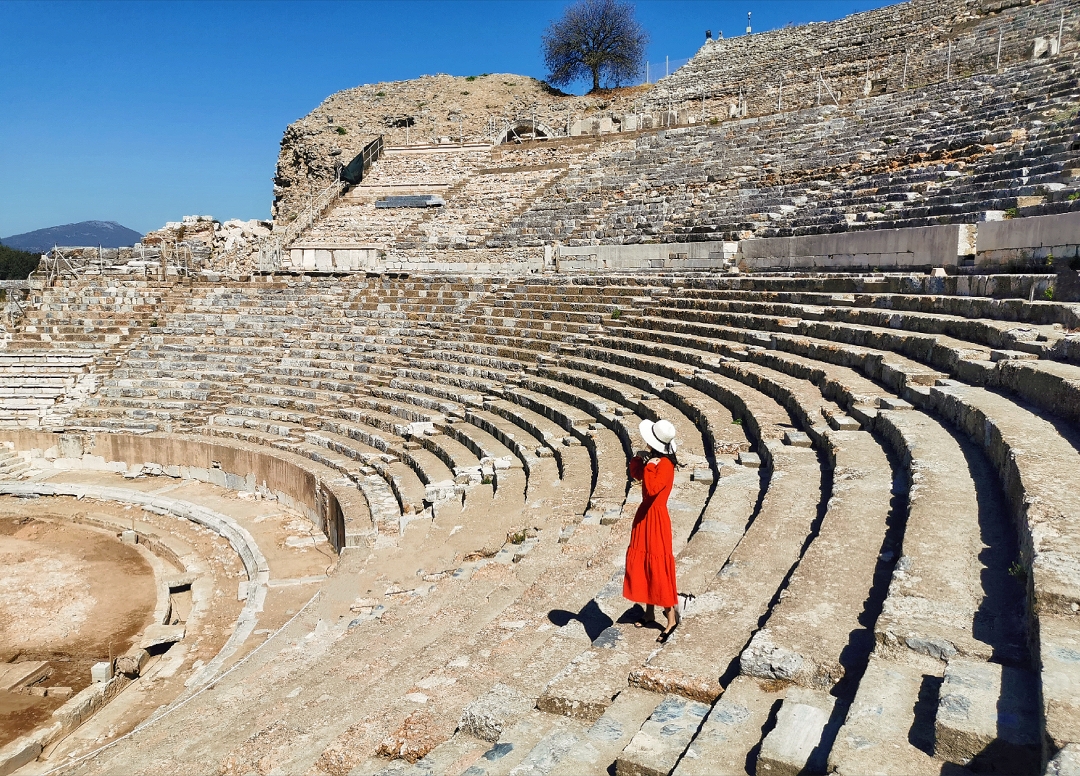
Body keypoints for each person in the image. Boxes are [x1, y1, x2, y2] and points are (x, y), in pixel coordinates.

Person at [623, 418, 680, 643]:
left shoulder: (665, 465)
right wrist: (639, 458)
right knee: (643, 563)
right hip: (644, 517)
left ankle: (671, 618)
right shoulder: (654, 462)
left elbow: (653, 487)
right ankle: (648, 612)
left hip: (656, 519)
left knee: (657, 566)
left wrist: (650, 464)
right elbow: (635, 473)